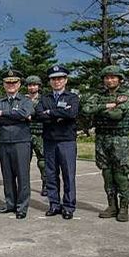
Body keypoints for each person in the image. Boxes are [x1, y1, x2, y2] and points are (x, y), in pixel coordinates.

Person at [82, 65, 129, 222]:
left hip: (120, 139)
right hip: (102, 138)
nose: (109, 80)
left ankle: (123, 207)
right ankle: (112, 205)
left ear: (119, 79)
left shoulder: (127, 95)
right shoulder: (99, 96)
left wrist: (99, 110)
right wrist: (106, 106)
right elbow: (85, 109)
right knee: (106, 173)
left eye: (113, 77)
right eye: (107, 77)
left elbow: (117, 114)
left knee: (120, 173)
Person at [34, 65, 79, 220]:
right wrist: (59, 115)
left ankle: (68, 206)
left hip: (66, 141)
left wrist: (50, 113)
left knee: (68, 175)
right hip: (49, 141)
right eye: (53, 79)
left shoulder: (72, 97)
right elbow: (39, 115)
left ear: (65, 80)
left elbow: (71, 113)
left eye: (60, 78)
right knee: (51, 174)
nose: (57, 81)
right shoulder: (45, 98)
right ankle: (54, 204)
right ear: (50, 81)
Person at [0, 70, 34, 219]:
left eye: (14, 82)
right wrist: (17, 116)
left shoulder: (26, 101)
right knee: (7, 175)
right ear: (4, 85)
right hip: (4, 142)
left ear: (19, 84)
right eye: (8, 82)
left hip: (21, 142)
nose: (11, 85)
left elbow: (25, 113)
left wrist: (3, 114)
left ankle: (22, 207)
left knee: (22, 175)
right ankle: (10, 203)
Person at [25, 75, 47, 196]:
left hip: (40, 133)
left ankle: (46, 184)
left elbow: (44, 114)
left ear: (39, 86)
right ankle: (24, 186)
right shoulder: (23, 99)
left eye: (34, 85)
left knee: (43, 160)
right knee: (24, 161)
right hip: (25, 133)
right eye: (29, 85)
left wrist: (32, 114)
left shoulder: (44, 99)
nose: (32, 87)